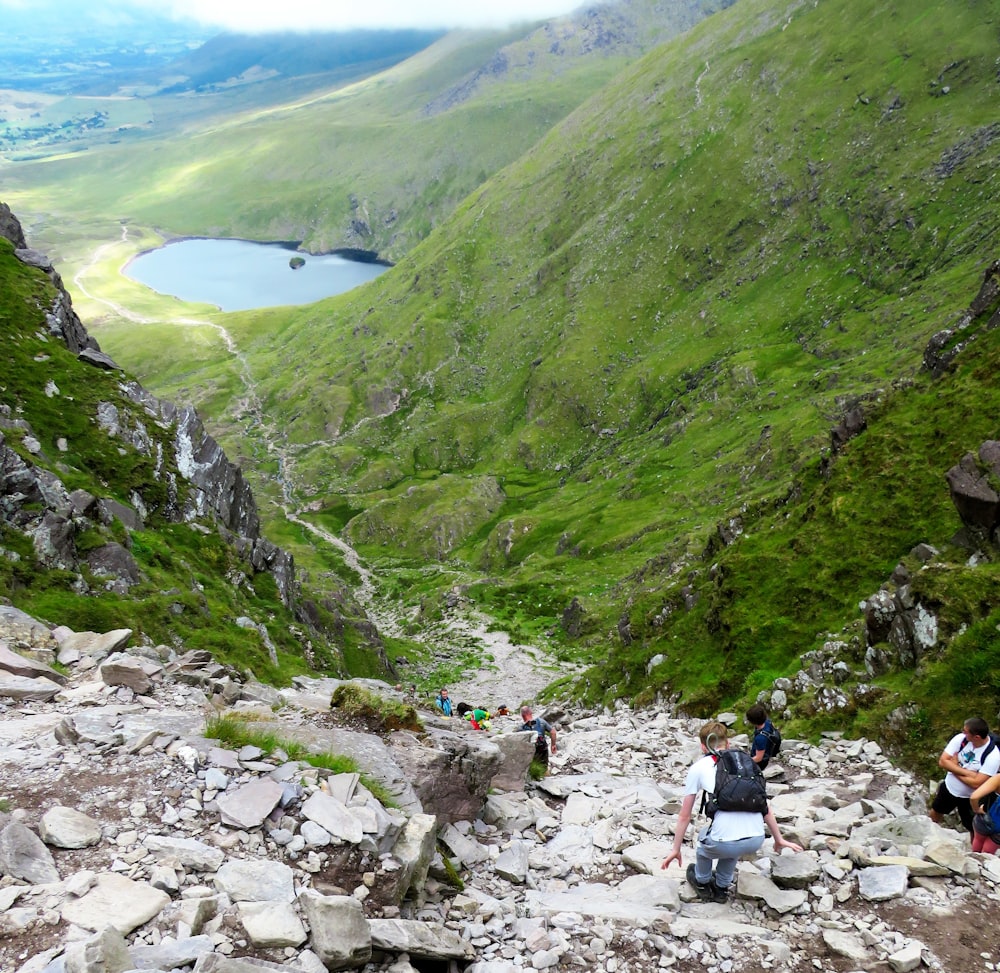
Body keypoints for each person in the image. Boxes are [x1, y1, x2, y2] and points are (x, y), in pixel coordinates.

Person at [661, 720, 802, 903]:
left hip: (723, 842)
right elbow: (764, 807)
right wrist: (778, 839)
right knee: (734, 840)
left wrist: (675, 849)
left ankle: (703, 882)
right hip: (755, 840)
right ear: (727, 743)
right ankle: (721, 887)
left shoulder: (698, 768)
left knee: (704, 842)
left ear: (703, 747)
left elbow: (685, 815)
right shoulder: (745, 764)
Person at [928, 717, 1000, 833]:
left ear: (976, 737)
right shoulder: (961, 739)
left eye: (966, 731)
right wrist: (968, 773)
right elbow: (942, 761)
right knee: (937, 810)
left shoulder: (993, 755)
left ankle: (974, 850)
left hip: (969, 798)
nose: (963, 733)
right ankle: (928, 831)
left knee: (972, 826)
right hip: (949, 788)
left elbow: (976, 784)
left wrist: (953, 768)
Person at [969, 772, 1000, 855]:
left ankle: (973, 860)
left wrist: (976, 809)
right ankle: (983, 865)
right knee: (988, 852)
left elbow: (974, 797)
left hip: (986, 817)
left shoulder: (998, 778)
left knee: (978, 840)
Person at [746, 703, 779, 769]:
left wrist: (745, 761)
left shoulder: (760, 738)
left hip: (760, 763)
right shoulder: (768, 722)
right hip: (767, 748)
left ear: (752, 722)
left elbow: (758, 758)